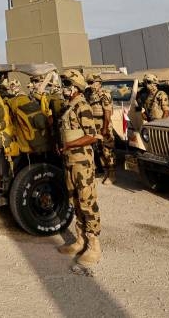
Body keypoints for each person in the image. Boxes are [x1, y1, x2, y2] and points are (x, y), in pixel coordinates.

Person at [56, 69, 102, 275]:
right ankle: (80, 239)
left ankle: (94, 245)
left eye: (66, 85)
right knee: (75, 200)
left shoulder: (82, 106)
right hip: (70, 161)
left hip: (82, 162)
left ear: (75, 87)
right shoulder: (69, 107)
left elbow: (92, 136)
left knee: (87, 201)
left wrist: (68, 145)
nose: (64, 88)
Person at [84, 73, 115, 183]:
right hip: (92, 124)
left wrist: (105, 128)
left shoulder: (105, 94)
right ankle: (104, 171)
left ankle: (112, 174)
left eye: (92, 82)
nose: (90, 85)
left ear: (99, 83)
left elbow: (107, 113)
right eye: (88, 83)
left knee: (107, 149)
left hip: (103, 123)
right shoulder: (87, 93)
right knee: (98, 149)